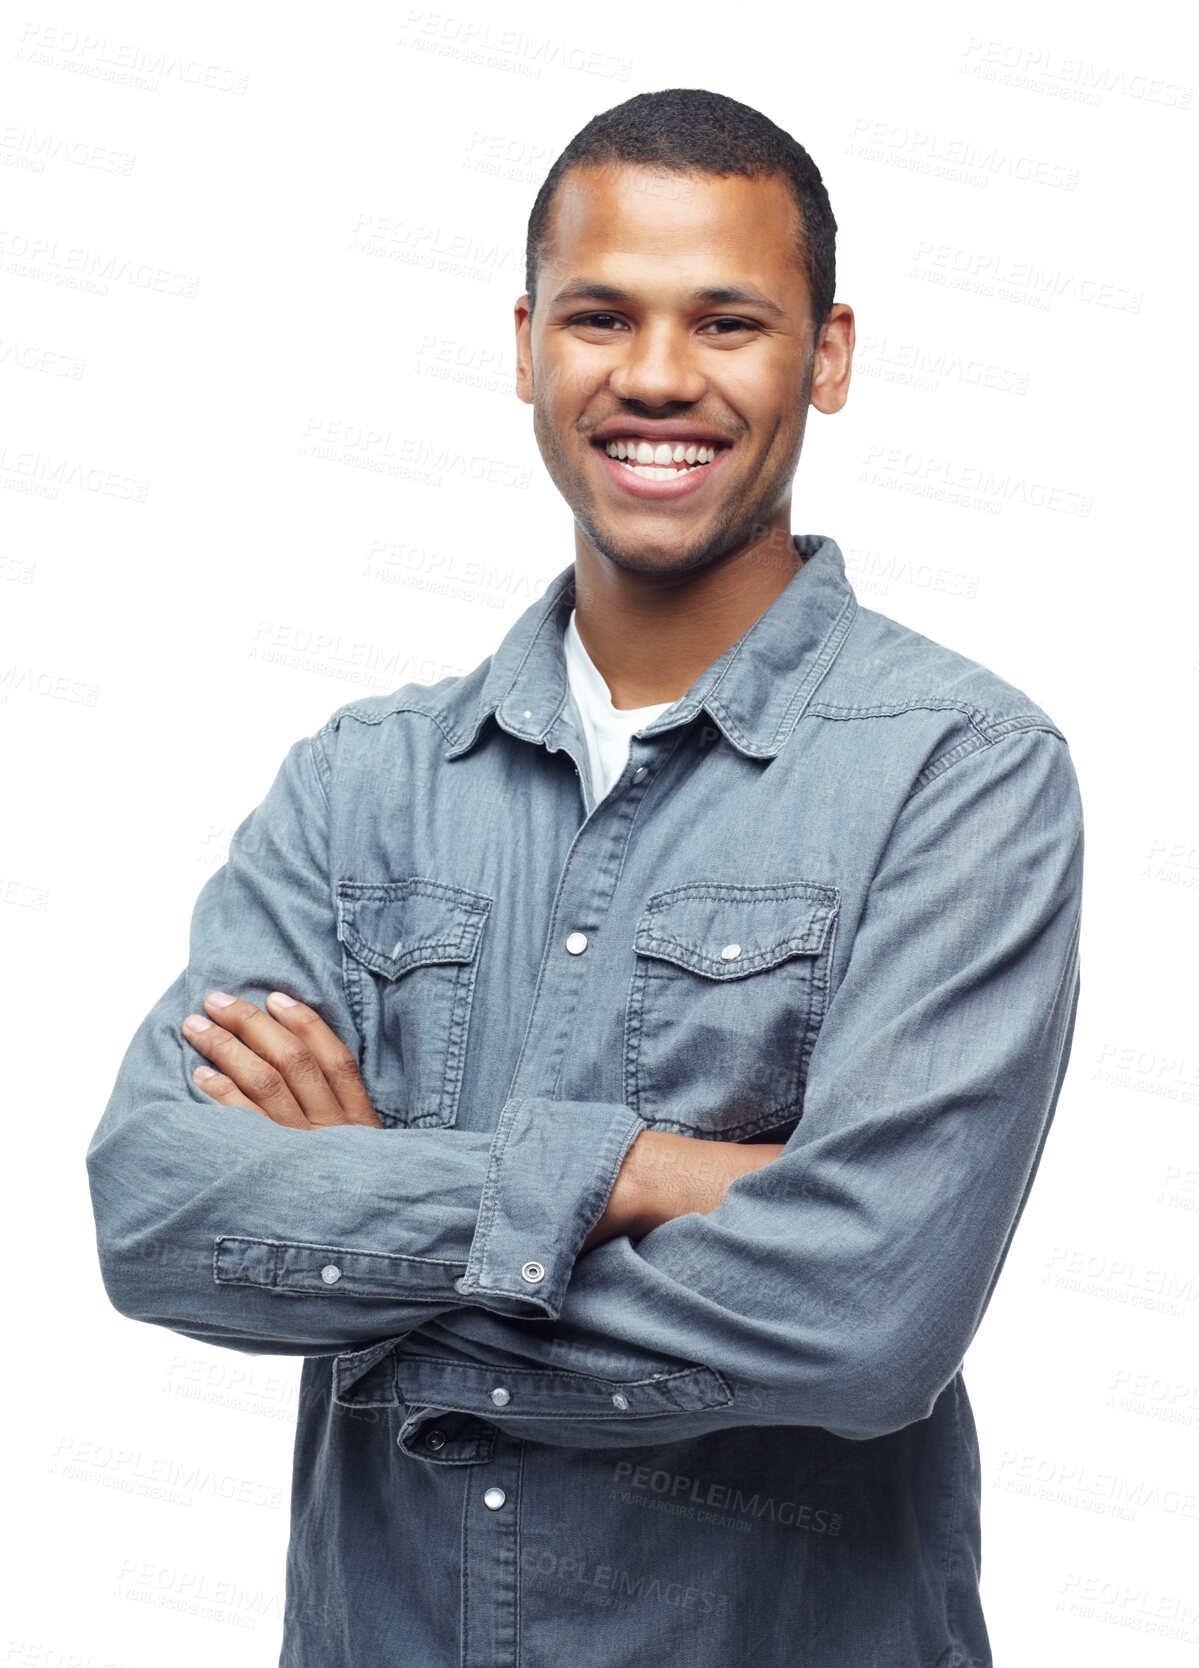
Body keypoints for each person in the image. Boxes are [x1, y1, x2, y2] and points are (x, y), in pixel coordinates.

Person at [85, 87, 1084, 1667]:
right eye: (602, 315)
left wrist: (371, 1232)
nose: (660, 378)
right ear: (528, 343)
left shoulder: (960, 770)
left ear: (826, 354)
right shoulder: (362, 781)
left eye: (730, 322)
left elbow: (865, 1317)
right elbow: (155, 1213)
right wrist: (635, 1176)